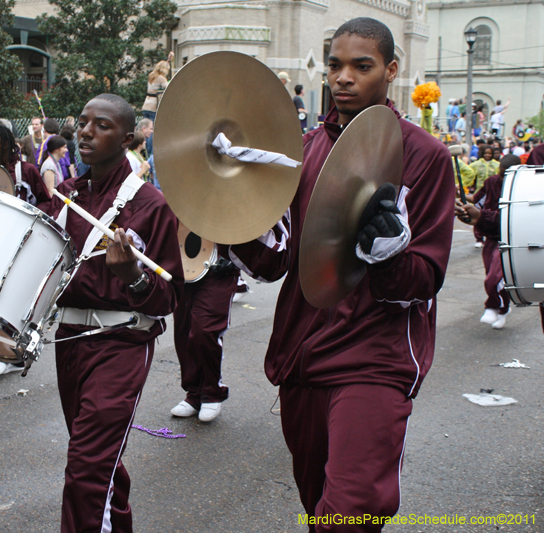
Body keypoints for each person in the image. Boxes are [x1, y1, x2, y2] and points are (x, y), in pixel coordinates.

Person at [224, 18, 453, 529]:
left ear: (391, 70)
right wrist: (225, 207)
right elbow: (273, 261)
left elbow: (427, 277)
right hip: (302, 358)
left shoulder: (425, 157)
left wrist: (392, 255)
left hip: (377, 359)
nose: (343, 77)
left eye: (361, 66)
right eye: (334, 65)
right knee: (320, 512)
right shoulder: (303, 153)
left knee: (350, 512)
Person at [41, 93, 183, 532]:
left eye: (101, 125)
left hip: (121, 344)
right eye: (82, 122)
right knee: (99, 462)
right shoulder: (65, 196)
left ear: (127, 138)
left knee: (86, 468)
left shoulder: (150, 204)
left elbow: (167, 299)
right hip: (69, 340)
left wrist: (133, 278)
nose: (85, 131)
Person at [0, 123, 50, 378]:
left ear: (6, 146)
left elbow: (46, 200)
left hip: (25, 243)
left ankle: (12, 352)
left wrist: (32, 218)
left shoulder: (27, 171)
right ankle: (3, 350)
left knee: (17, 298)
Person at [170, 255, 239, 422]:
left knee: (205, 330)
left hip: (218, 267)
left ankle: (212, 392)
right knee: (183, 331)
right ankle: (194, 394)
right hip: (185, 263)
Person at [456, 154, 520, 330]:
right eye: (500, 173)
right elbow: (478, 200)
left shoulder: (520, 187)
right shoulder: (492, 182)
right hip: (490, 236)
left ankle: (495, 307)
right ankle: (501, 308)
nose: (501, 177)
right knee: (493, 277)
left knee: (494, 278)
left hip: (510, 238)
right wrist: (459, 194)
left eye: (504, 174)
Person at [142, 53, 173, 121]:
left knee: (147, 128)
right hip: (153, 107)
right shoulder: (161, 78)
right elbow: (169, 87)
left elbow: (164, 65)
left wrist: (169, 60)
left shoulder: (151, 76)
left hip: (146, 106)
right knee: (152, 129)